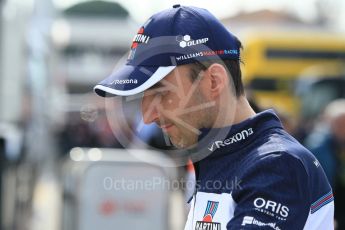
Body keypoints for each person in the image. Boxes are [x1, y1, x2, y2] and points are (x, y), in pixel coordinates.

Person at [94, 5, 334, 229]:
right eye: (144, 96)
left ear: (214, 81)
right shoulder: (222, 156)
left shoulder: (276, 164)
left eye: (162, 92)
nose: (148, 116)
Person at [305, 99, 345, 229]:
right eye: (339, 123)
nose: (343, 127)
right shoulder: (316, 146)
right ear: (330, 124)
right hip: (330, 201)